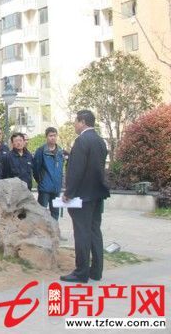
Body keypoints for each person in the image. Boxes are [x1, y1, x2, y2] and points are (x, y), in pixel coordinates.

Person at [60, 110, 110, 283]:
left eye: (76, 121)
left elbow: (76, 169)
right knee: (95, 231)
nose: (74, 125)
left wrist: (68, 192)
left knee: (82, 233)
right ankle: (96, 271)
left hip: (82, 196)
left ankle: (81, 272)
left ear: (82, 122)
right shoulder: (100, 141)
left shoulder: (82, 140)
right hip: (97, 194)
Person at [33, 127, 64, 221]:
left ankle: (54, 230)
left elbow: (61, 168)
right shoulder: (41, 151)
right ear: (46, 137)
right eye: (50, 136)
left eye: (54, 135)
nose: (53, 138)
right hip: (44, 188)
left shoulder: (60, 151)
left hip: (57, 188)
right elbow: (36, 169)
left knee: (55, 213)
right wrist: (41, 181)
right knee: (41, 213)